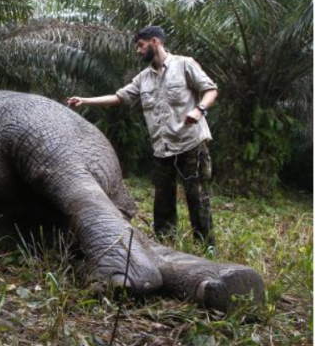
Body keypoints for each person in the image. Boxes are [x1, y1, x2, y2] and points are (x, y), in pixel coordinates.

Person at [67, 26, 219, 247]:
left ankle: (206, 247)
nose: (138, 51)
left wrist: (199, 110)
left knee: (197, 199)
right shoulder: (143, 78)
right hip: (163, 149)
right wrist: (85, 100)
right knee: (163, 202)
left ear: (155, 42)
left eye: (140, 45)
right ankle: (165, 245)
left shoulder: (185, 64)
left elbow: (211, 89)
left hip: (190, 144)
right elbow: (119, 97)